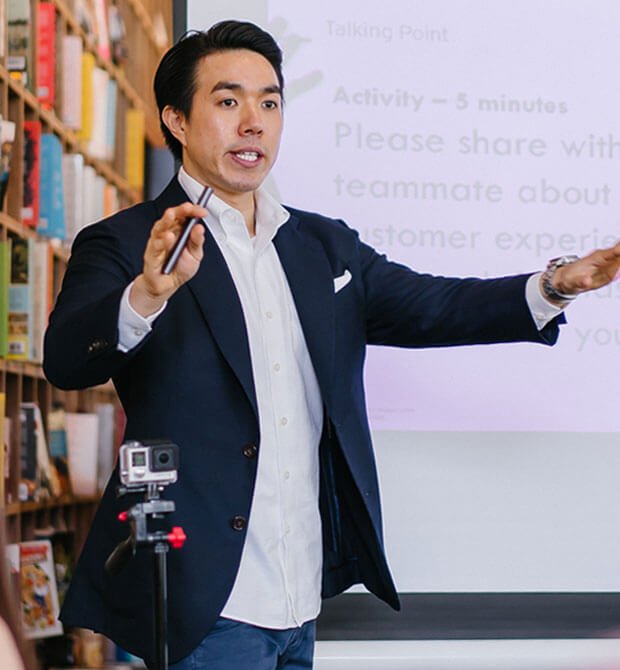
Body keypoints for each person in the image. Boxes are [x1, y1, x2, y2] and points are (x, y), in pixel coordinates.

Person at [43, 20, 620, 670]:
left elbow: (433, 306)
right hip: (206, 598)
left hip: (300, 592)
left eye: (269, 103)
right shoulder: (127, 241)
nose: (254, 123)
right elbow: (65, 360)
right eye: (228, 101)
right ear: (176, 119)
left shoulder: (323, 246)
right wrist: (147, 294)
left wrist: (554, 285)